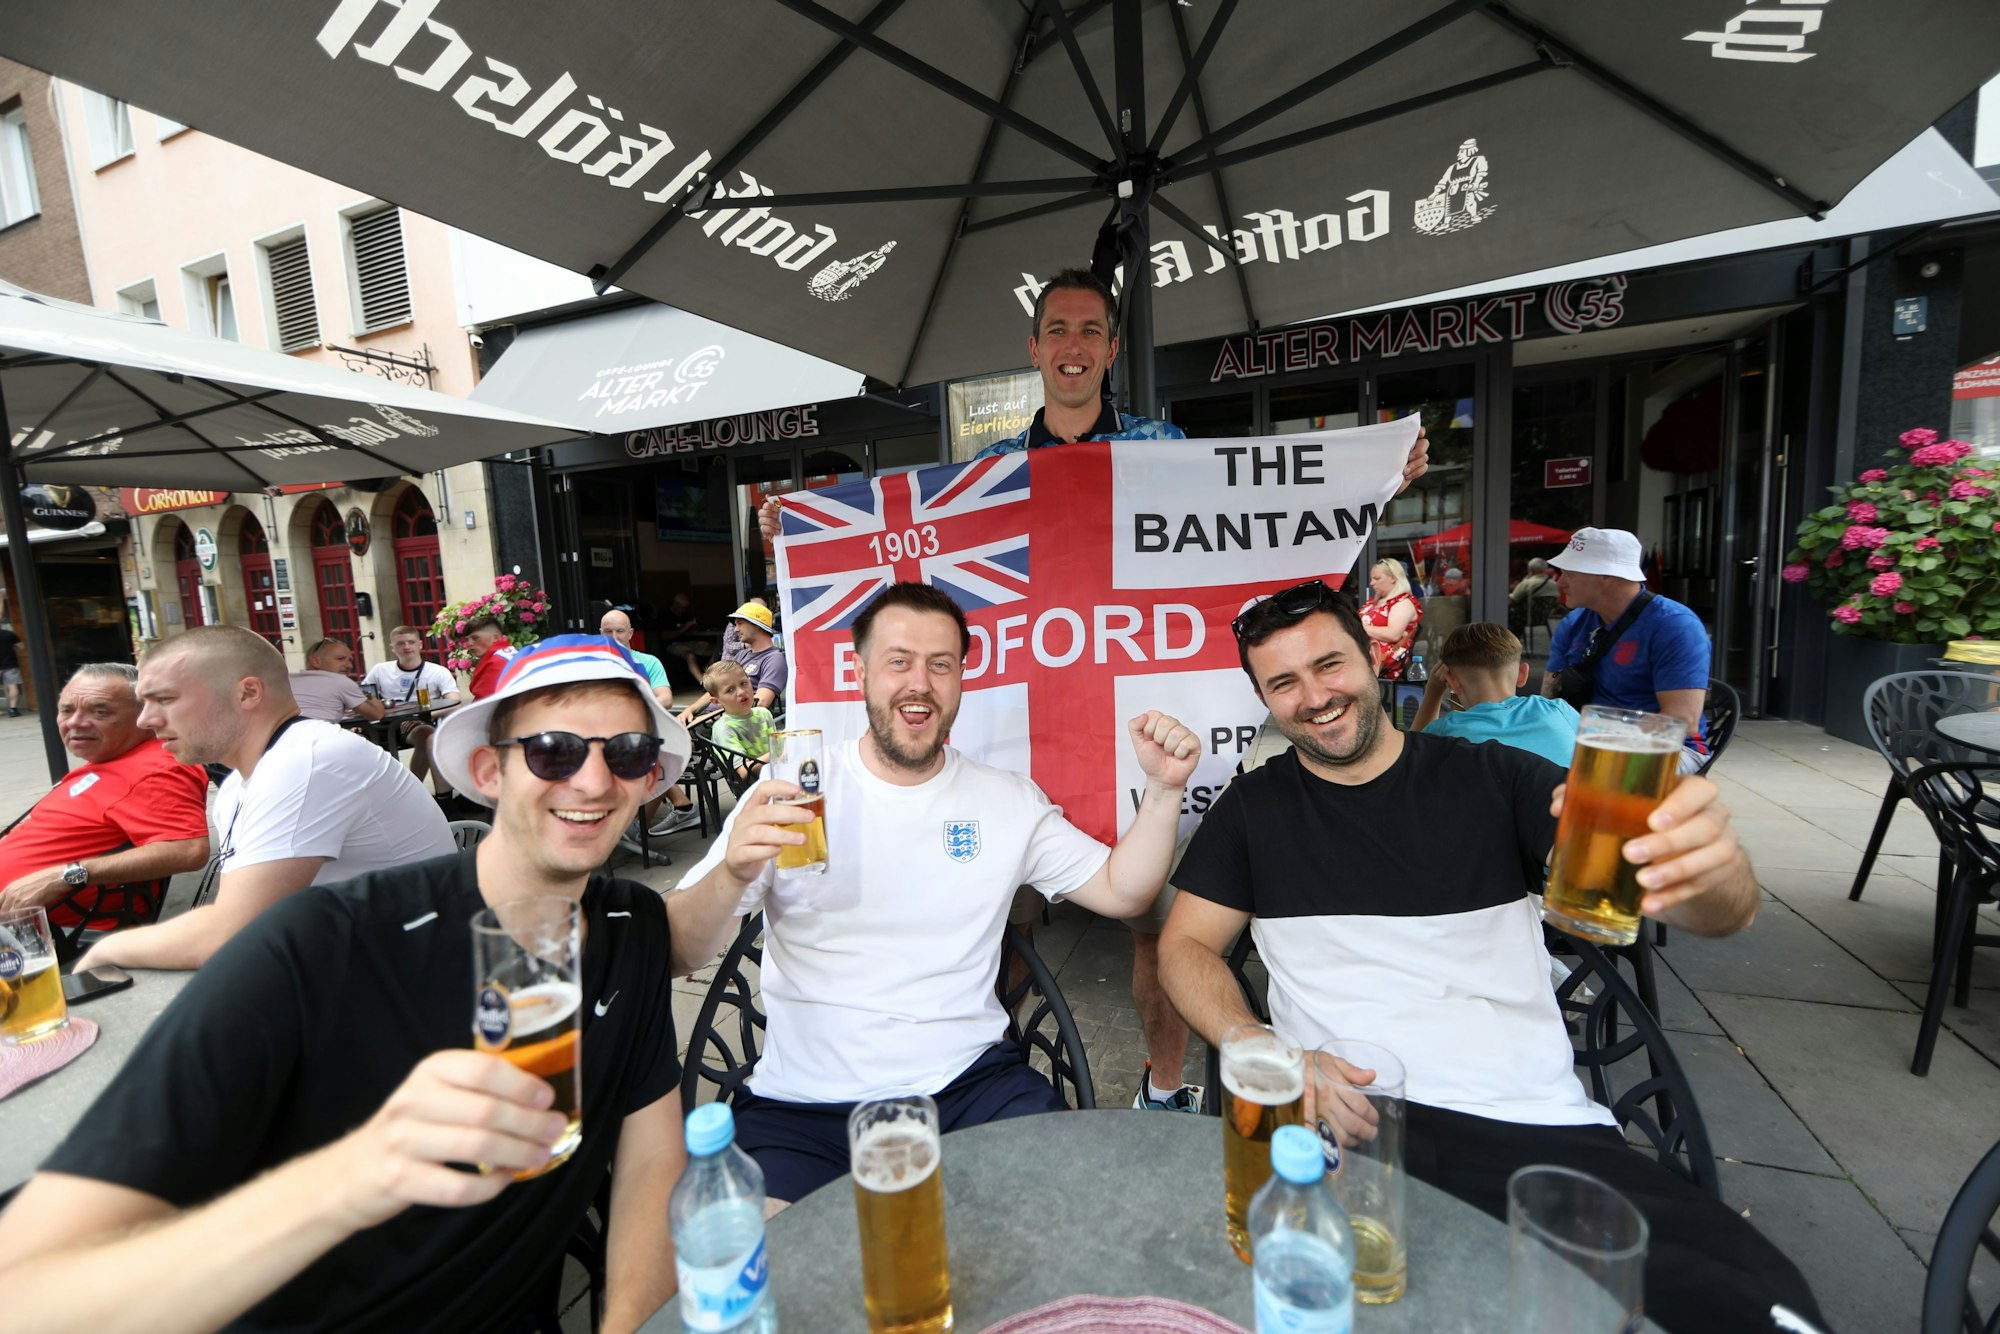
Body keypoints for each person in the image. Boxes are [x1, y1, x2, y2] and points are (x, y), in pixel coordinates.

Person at [756, 266, 1435, 1114]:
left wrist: (1366, 485)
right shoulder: (993, 472)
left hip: (1144, 730)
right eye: (1058, 331)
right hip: (1024, 742)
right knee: (998, 925)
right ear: (1034, 348)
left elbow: (1256, 543)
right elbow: (913, 597)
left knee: (1157, 922)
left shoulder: (1168, 451)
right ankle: (973, 1073)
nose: (1073, 347)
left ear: (1111, 350)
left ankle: (1165, 1088)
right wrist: (811, 534)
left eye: (1089, 331)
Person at [1156, 580, 1822, 1334]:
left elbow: (1711, 911)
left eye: (1329, 665)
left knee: (1755, 1300)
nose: (1314, 696)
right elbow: (1184, 946)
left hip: (1536, 1127)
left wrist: (1708, 868)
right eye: (1284, 682)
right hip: (1351, 1131)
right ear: (1263, 699)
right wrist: (1260, 1050)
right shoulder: (1253, 809)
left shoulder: (1492, 776)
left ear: (1375, 658)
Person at [0, 636, 697, 1333]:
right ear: (488, 771)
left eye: (629, 754)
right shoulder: (317, 942)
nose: (596, 782)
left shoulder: (630, 924)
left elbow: (651, 1170)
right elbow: (23, 1294)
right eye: (554, 750)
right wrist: (359, 1173)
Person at [668, 582, 1201, 1206]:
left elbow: (1122, 891)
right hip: (805, 1111)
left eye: (940, 664)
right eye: (898, 661)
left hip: (971, 1088)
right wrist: (731, 871)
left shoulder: (1004, 798)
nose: (919, 682)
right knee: (771, 1283)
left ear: (961, 679)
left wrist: (1164, 791)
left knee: (1070, 1227)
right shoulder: (795, 790)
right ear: (861, 670)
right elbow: (677, 950)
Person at [75, 626, 454, 972]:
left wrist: (103, 952)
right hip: (361, 963)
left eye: (165, 699)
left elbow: (227, 935)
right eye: (145, 702)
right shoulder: (242, 783)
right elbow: (236, 917)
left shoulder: (303, 763)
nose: (146, 720)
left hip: (410, 980)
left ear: (248, 693)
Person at [0, 664, 209, 932]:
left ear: (145, 716)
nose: (75, 722)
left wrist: (66, 875)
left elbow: (188, 850)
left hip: (45, 932)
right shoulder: (112, 757)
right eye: (66, 710)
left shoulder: (156, 770)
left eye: (100, 712)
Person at [1541, 528, 1711, 774]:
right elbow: (1549, 700)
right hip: (1586, 742)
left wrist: (1596, 739)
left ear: (1607, 576)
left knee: (1574, 779)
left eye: (1570, 572)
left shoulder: (1674, 624)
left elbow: (1682, 722)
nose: (1560, 582)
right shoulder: (1574, 623)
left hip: (1670, 750)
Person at [1411, 622, 1581, 768]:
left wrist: (1433, 691)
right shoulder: (1558, 710)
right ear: (1523, 674)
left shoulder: (1445, 732)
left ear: (1452, 682)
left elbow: (1408, 760)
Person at [360, 625, 460, 790]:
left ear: (420, 645)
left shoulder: (438, 672)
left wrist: (423, 716)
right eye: (400, 643)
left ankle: (426, 794)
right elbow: (364, 697)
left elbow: (454, 702)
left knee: (428, 735)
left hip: (417, 724)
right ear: (392, 647)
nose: (406, 647)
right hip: (383, 723)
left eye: (411, 642)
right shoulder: (380, 670)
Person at [704, 659, 773, 784]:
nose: (741, 691)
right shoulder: (724, 728)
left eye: (743, 683)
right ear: (717, 702)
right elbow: (743, 772)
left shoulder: (764, 713)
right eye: (730, 690)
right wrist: (778, 753)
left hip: (776, 775)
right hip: (755, 788)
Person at [287, 637, 385, 724]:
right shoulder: (340, 681)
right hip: (320, 737)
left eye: (350, 660)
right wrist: (367, 695)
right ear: (315, 661)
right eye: (340, 659)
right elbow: (377, 714)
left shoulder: (287, 681)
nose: (349, 665)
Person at [1359, 558, 1422, 680]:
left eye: (1377, 578)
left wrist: (1359, 627)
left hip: (1383, 665)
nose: (1372, 583)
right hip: (1367, 659)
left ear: (1393, 578)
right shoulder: (1375, 602)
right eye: (1372, 579)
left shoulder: (1403, 602)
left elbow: (1393, 634)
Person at [599, 609, 672, 706]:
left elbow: (666, 699)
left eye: (620, 631)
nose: (614, 637)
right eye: (608, 631)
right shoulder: (591, 663)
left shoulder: (649, 662)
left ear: (630, 633)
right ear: (601, 633)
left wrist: (632, 709)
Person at [662, 591, 714, 681]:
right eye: (682, 608)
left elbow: (694, 631)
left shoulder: (686, 615)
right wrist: (683, 628)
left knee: (716, 649)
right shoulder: (665, 616)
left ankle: (710, 676)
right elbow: (665, 636)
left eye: (685, 608)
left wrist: (694, 627)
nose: (684, 610)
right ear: (675, 604)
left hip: (692, 642)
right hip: (675, 644)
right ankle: (702, 682)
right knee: (690, 656)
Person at [464, 614, 516, 701]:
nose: (469, 643)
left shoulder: (496, 663)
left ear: (495, 638)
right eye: (467, 639)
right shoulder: (511, 653)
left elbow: (485, 704)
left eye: (475, 638)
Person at [0, 621, 21, 716]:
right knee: (12, 686)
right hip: (10, 664)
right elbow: (21, 647)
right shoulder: (9, 634)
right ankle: (13, 709)